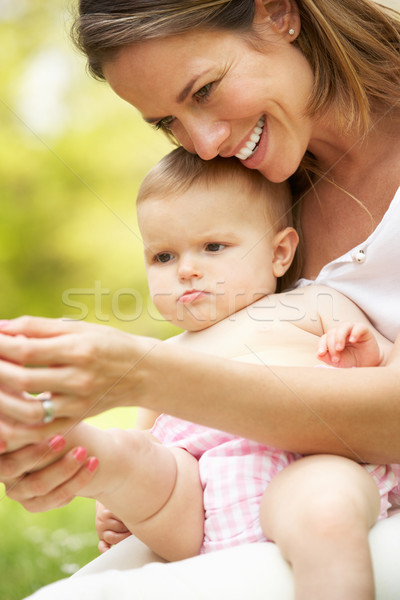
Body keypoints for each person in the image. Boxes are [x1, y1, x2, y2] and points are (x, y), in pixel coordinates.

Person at [0, 0, 399, 597]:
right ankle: (68, 447)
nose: (205, 144)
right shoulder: (262, 191)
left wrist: (143, 372)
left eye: (206, 90)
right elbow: (162, 448)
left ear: (278, 14)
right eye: (167, 122)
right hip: (212, 500)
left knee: (320, 515)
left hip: (329, 484)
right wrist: (124, 492)